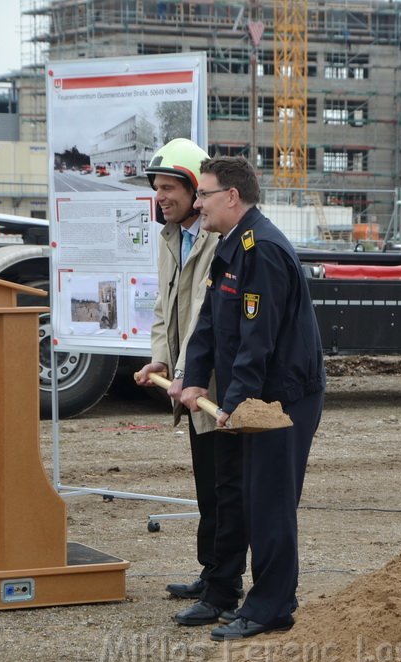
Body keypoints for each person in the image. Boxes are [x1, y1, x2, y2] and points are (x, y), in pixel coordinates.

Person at [180, 156, 325, 641]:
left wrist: (233, 403)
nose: (197, 203)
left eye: (204, 194)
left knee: (270, 500)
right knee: (251, 494)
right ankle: (265, 596)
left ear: (232, 197)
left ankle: (272, 607)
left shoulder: (261, 250)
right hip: (258, 396)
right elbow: (209, 322)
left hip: (282, 400)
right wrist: (194, 378)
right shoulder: (231, 246)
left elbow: (256, 341)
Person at [133, 139, 247, 625]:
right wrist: (162, 360)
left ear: (194, 189)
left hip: (215, 387)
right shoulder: (171, 238)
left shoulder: (218, 239)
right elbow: (166, 311)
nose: (161, 197)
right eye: (157, 188)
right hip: (191, 384)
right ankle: (211, 571)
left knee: (227, 487)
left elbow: (208, 320)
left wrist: (186, 375)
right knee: (207, 485)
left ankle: (224, 587)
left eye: (169, 188)